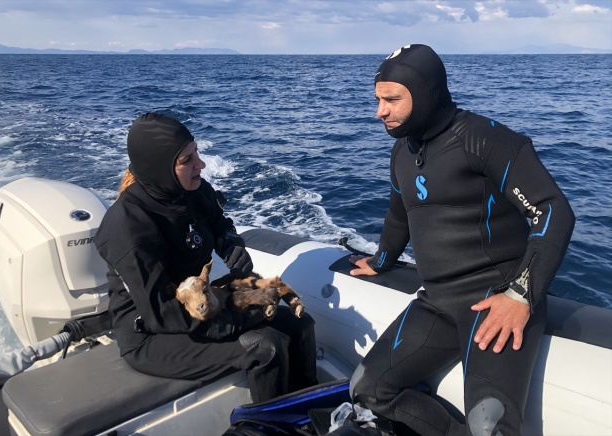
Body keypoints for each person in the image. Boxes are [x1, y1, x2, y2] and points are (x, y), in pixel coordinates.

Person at [348, 44, 575, 435]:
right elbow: (399, 216)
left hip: (496, 298)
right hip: (436, 301)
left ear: (427, 94)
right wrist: (381, 261)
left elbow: (553, 211)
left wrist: (521, 295)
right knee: (365, 389)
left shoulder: (483, 139)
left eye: (392, 99)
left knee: (489, 425)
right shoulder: (402, 151)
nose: (379, 111)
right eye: (378, 99)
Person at [94, 112, 318, 403]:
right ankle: (271, 426)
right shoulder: (128, 225)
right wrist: (239, 320)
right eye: (186, 160)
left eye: (196, 152)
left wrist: (231, 244)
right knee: (266, 345)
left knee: (301, 324)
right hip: (152, 334)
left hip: (205, 306)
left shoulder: (194, 192)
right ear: (158, 168)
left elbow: (219, 223)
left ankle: (310, 411)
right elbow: (163, 314)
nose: (200, 164)